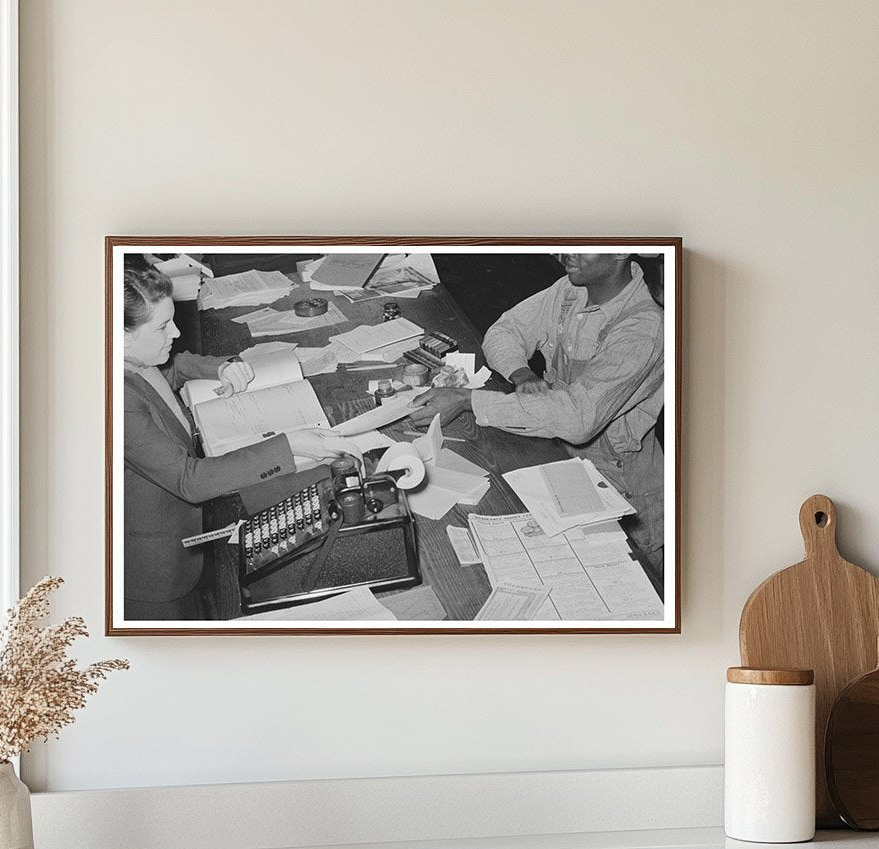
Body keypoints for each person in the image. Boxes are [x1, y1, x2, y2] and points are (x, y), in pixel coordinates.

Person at [123, 262, 354, 620]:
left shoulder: (129, 358)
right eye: (163, 326)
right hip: (155, 575)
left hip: (184, 544)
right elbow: (191, 480)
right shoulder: (114, 398)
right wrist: (288, 444)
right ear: (121, 335)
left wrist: (220, 366)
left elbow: (170, 367)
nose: (177, 331)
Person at [409, 253, 665, 573]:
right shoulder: (570, 290)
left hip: (622, 498)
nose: (563, 251)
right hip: (559, 462)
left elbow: (577, 418)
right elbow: (504, 331)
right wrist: (522, 374)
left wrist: (468, 400)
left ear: (621, 251)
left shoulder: (645, 326)